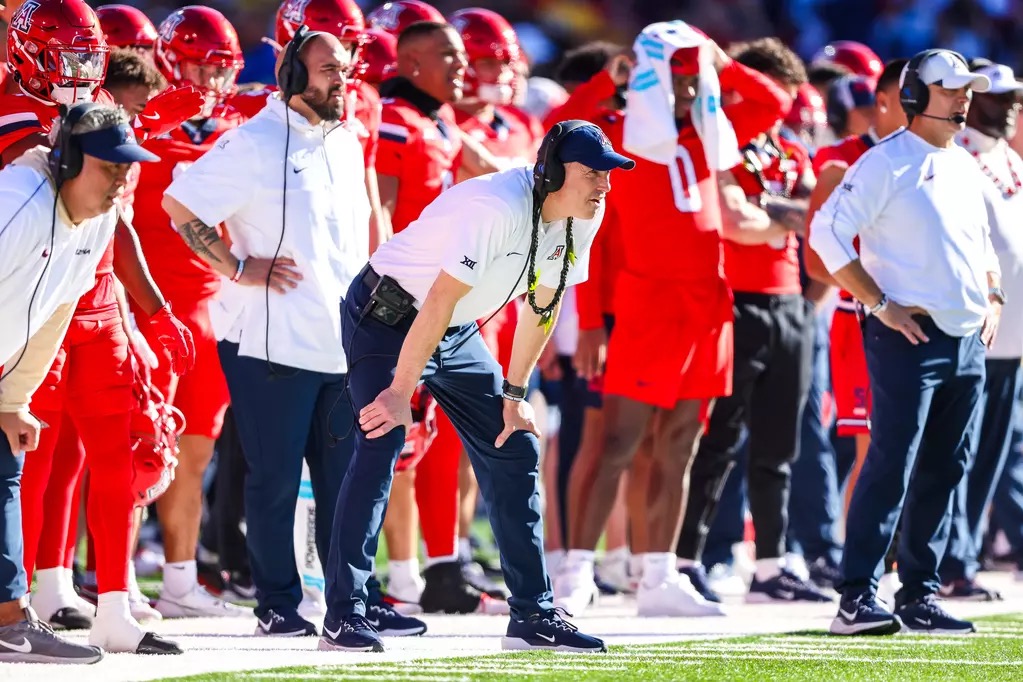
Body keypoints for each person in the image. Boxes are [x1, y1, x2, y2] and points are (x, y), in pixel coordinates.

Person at [322, 120, 632, 653]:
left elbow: (544, 301)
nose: (603, 185)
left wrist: (514, 396)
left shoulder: (586, 212)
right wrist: (399, 393)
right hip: (387, 316)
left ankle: (534, 615)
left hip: (455, 327)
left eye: (607, 174)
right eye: (591, 174)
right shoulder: (493, 207)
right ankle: (346, 613)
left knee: (515, 445)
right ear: (553, 174)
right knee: (382, 440)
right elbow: (438, 300)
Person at [555, 22, 790, 618]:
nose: (688, 88)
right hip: (645, 302)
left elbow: (774, 101)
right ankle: (577, 570)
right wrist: (589, 320)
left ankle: (658, 574)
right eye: (678, 75)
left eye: (695, 77)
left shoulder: (713, 134)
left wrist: (719, 60)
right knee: (618, 442)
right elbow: (558, 133)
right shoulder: (617, 131)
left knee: (681, 443)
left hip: (709, 302)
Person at [162, 27, 389, 639]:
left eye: (343, 70)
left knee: (348, 484)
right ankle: (278, 603)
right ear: (290, 77)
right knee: (276, 481)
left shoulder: (347, 140)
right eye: (324, 71)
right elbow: (180, 205)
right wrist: (236, 266)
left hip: (341, 344)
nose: (339, 81)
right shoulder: (254, 142)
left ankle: (351, 602)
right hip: (268, 345)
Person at [810, 49, 1000, 636]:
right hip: (909, 339)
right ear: (916, 96)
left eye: (966, 89)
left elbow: (981, 244)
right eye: (949, 89)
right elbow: (825, 233)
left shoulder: (964, 163)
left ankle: (919, 593)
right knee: (891, 465)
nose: (962, 98)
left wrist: (991, 298)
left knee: (946, 467)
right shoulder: (882, 162)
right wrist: (880, 303)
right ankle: (855, 597)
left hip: (965, 339)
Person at [0, 102, 160, 662]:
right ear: (66, 160)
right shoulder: (15, 205)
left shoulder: (96, 219)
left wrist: (12, 400)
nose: (121, 180)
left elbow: (54, 315)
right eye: (108, 167)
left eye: (126, 168)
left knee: (7, 474)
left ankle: (11, 624)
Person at [673, 37, 830, 605]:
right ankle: (685, 558)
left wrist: (779, 215)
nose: (783, 115)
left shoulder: (789, 151)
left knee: (779, 447)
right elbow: (737, 224)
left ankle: (769, 565)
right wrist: (796, 217)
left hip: (790, 302)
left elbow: (823, 216)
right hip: (734, 297)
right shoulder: (723, 142)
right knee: (716, 439)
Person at [131, 6, 249, 620]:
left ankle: (179, 581)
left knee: (196, 450)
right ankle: (108, 578)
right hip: (143, 302)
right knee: (131, 448)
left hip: (208, 308)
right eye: (202, 65)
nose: (212, 79)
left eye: (221, 67)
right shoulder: (138, 121)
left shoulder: (236, 122)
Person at [940, 60, 1023, 600]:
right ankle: (950, 563)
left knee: (991, 457)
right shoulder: (958, 157)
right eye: (1001, 97)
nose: (1013, 104)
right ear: (974, 101)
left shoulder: (1009, 159)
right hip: (978, 332)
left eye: (1015, 95)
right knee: (960, 456)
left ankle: (963, 557)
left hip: (1013, 338)